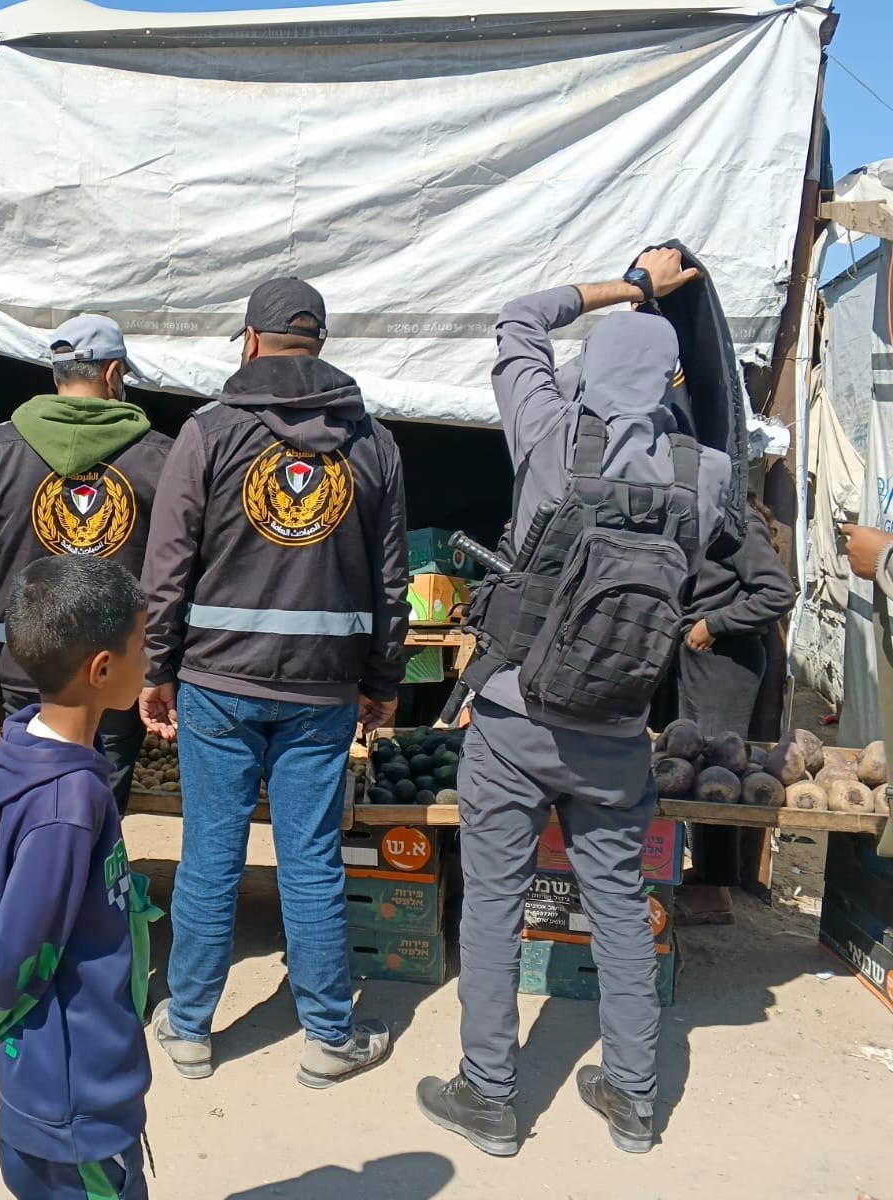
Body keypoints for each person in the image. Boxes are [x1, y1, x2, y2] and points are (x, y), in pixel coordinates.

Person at [415, 248, 732, 1158]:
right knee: (620, 904)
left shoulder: (552, 436)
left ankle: (490, 1096)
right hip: (619, 728)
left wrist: (630, 287)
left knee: (493, 904)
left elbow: (519, 317)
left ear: (589, 371)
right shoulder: (706, 475)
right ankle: (633, 1099)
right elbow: (719, 450)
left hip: (515, 715)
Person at [140, 277, 409, 1088]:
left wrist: (157, 667)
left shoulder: (207, 433)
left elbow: (167, 566)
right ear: (319, 344)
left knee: (210, 857)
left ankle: (190, 1029)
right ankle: (328, 1037)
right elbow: (390, 582)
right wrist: (383, 679)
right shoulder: (373, 444)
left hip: (217, 682)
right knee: (312, 861)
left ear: (251, 341)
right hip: (323, 691)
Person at [0, 555, 159, 1200]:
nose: (150, 661)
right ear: (102, 670)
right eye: (142, 645)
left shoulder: (30, 743)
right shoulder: (68, 804)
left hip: (63, 1080)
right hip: (75, 1099)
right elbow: (15, 940)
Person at [0, 314, 172, 813]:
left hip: (23, 658)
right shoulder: (161, 455)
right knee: (101, 803)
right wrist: (158, 658)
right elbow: (172, 569)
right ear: (114, 373)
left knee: (26, 794)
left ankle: (29, 861)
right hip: (116, 667)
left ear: (56, 374)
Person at [675, 493, 794, 924]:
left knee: (717, 771)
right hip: (701, 660)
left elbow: (779, 592)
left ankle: (716, 893)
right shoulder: (703, 515)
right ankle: (708, 873)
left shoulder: (738, 523)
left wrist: (715, 623)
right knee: (697, 765)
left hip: (725, 663)